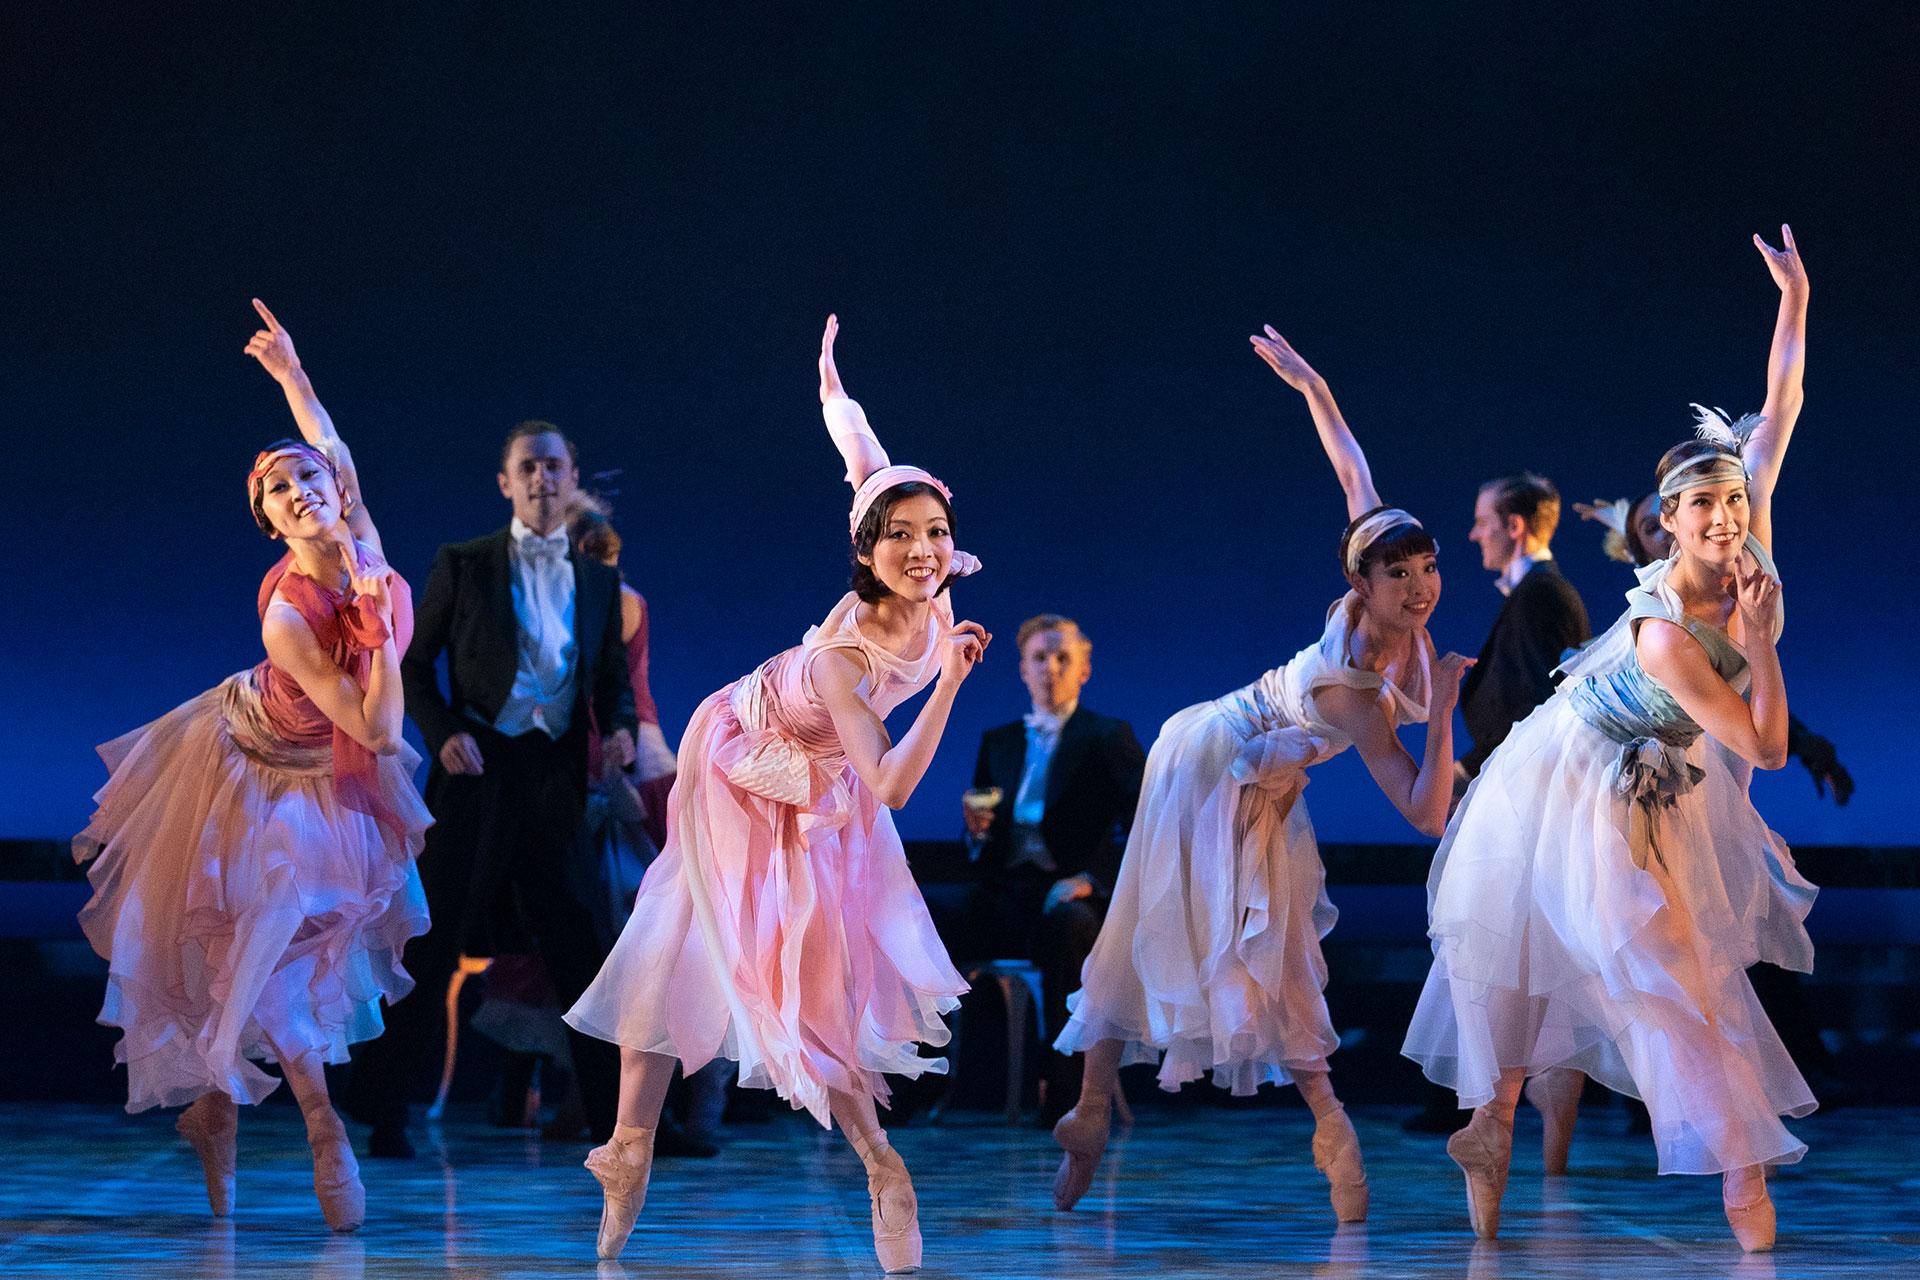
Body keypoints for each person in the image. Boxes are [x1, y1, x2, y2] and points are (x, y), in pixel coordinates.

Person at [1403, 227, 1814, 1252]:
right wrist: (1760, 642)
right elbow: (1765, 747)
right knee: (1575, 971)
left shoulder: (1747, 520)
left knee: (1688, 981)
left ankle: (1716, 1172)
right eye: (1703, 506)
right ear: (1665, 523)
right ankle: (1497, 1129)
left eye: (1733, 498)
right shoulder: (1669, 634)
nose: (1725, 515)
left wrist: (1795, 298)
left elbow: (1785, 399)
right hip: (1574, 779)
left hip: (1663, 781)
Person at [564, 316, 990, 1271]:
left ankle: (879, 1162)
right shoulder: (846, 652)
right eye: (902, 539)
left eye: (937, 534)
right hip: (743, 756)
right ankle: (631, 1144)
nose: (924, 551)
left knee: (817, 980)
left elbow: (864, 459)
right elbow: (885, 783)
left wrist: (834, 388)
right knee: (688, 935)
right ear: (866, 553)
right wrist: (950, 685)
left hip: (827, 780)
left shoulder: (935, 591)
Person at [1047, 323, 1474, 1224]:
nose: (1421, 585)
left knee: (1274, 954)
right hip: (1211, 760)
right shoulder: (1355, 684)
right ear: (1364, 587)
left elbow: (1353, 471)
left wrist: (1314, 386)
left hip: (1264, 782)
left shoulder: (1400, 622)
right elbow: (1425, 810)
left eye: (1429, 567)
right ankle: (1096, 1108)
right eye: (1401, 574)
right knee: (1169, 927)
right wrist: (1451, 727)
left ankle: (1320, 1126)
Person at [73, 300, 430, 1231]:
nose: (300, 488)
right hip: (250, 764)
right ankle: (302, 1116)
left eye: (309, 476)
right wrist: (366, 626)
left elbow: (386, 735)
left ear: (340, 489)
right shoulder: (286, 610)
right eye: (277, 490)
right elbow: (369, 722)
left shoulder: (367, 545)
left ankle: (230, 1105)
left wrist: (290, 372)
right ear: (268, 523)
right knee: (265, 912)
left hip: (338, 765)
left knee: (293, 944)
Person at [343, 417, 639, 1159]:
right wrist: (444, 731)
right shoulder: (465, 563)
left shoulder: (599, 582)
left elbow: (608, 680)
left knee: (582, 945)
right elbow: (410, 665)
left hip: (552, 778)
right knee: (433, 940)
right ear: (507, 482)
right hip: (480, 772)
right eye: (528, 468)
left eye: (554, 467)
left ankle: (620, 1121)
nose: (543, 479)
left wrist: (623, 726)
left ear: (572, 480)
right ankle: (384, 1110)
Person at [1403, 472, 1591, 1148]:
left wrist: (1472, 767)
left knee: (1499, 948)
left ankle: (1488, 1107)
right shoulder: (1533, 597)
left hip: (1525, 810)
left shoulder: (1544, 598)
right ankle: (1500, 1107)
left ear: (1514, 525)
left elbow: (1550, 710)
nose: (1473, 533)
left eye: (1483, 520)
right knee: (1505, 955)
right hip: (1509, 797)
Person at [963, 614, 1146, 1123]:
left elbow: (1144, 825)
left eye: (1063, 657)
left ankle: (1066, 1096)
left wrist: (1094, 881)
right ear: (1022, 669)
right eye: (1040, 658)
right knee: (923, 923)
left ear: (1084, 669)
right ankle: (912, 1088)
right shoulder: (999, 741)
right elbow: (985, 839)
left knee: (1069, 932)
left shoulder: (1108, 736)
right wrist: (976, 833)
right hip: (1009, 890)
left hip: (1070, 892)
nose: (1051, 668)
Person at [1578, 493, 1853, 804]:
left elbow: (1751, 695)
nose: (1669, 531)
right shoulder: (1659, 632)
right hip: (1641, 784)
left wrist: (1811, 748)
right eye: (1652, 527)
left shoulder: (1732, 602)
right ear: (1640, 555)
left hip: (1713, 777)